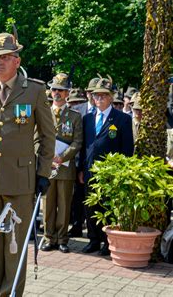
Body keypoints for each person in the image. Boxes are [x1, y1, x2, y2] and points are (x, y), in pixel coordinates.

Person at [0, 32, 55, 297]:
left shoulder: (34, 89)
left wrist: (43, 172)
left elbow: (47, 135)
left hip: (21, 181)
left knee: (15, 245)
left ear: (16, 61)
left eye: (5, 57)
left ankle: (10, 295)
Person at [80, 77, 134, 256]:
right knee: (90, 207)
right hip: (89, 170)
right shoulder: (87, 119)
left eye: (104, 96)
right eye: (97, 96)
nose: (100, 99)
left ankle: (106, 241)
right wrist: (81, 168)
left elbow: (127, 148)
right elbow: (83, 146)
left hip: (110, 172)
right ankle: (93, 240)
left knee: (107, 207)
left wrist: (123, 171)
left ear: (111, 97)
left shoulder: (122, 119)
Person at [41, 73, 82, 254]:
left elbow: (77, 141)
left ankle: (62, 238)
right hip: (47, 166)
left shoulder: (75, 116)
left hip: (65, 167)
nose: (56, 93)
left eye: (61, 90)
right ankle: (49, 237)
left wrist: (62, 157)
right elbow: (38, 137)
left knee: (64, 204)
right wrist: (47, 157)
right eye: (54, 89)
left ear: (67, 93)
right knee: (47, 203)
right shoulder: (43, 112)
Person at [67, 77, 99, 238]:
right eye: (90, 93)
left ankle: (94, 230)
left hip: (93, 161)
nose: (93, 96)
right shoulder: (77, 110)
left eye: (96, 93)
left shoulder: (104, 111)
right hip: (76, 159)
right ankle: (76, 226)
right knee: (76, 197)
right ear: (87, 93)